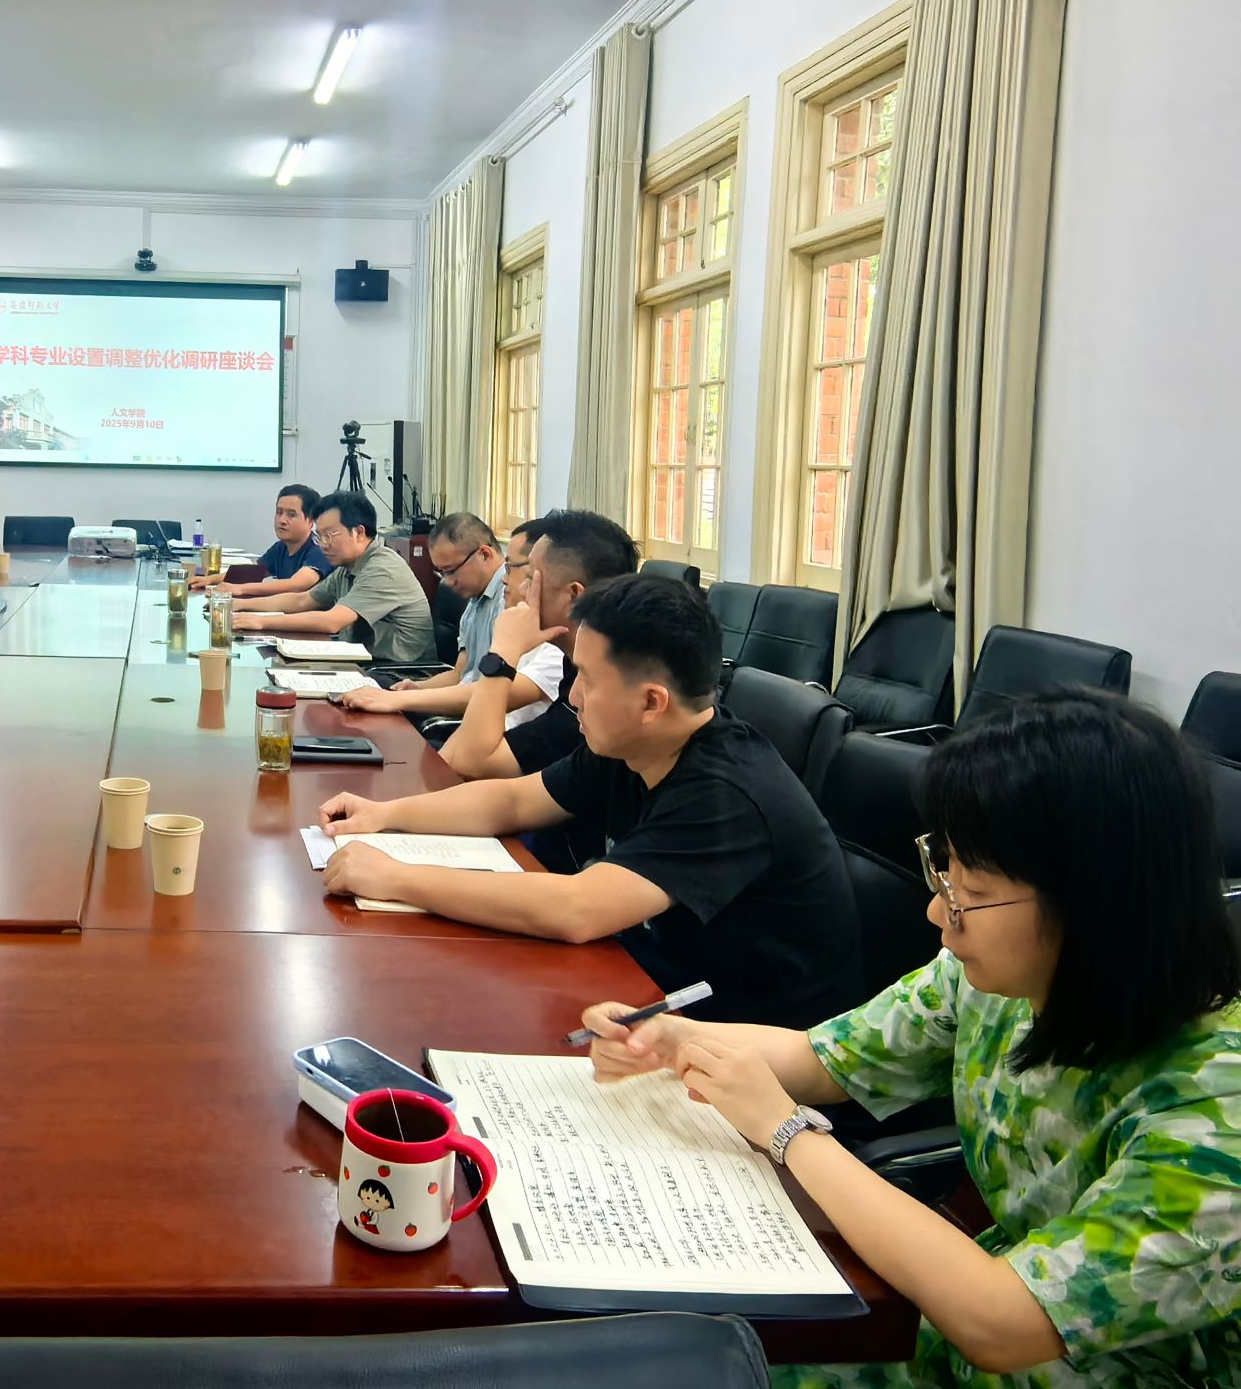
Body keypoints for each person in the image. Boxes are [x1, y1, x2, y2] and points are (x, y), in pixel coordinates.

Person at [584, 692, 1241, 1388]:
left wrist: (788, 1133)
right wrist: (674, 1038)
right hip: (946, 1329)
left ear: (1097, 905)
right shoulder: (999, 979)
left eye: (971, 892)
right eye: (945, 872)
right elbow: (825, 1059)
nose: (936, 910)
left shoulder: (1216, 1110)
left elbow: (1007, 1321)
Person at [318, 573, 860, 1028]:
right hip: (646, 989)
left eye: (588, 681)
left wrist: (394, 877)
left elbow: (577, 909)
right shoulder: (635, 743)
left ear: (652, 702)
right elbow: (513, 801)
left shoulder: (727, 794)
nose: (573, 696)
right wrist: (385, 815)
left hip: (741, 1052)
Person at [439, 509, 639, 780]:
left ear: (574, 595)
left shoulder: (602, 698)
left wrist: (503, 652)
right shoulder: (572, 668)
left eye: (531, 578)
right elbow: (455, 757)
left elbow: (467, 762)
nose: (521, 589)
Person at [228, 491, 435, 666]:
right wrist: (239, 604)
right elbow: (303, 600)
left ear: (359, 532)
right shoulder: (349, 565)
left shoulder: (382, 568)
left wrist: (261, 622)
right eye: (320, 536)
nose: (323, 545)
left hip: (401, 671)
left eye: (329, 535)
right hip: (367, 660)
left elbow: (331, 622)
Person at [336, 510, 508, 716]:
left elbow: (493, 693)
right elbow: (460, 675)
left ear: (485, 554)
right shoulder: (475, 599)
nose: (447, 582)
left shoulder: (508, 599)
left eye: (451, 570)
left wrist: (400, 700)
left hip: (484, 716)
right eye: (441, 572)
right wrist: (418, 687)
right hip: (465, 705)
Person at [192, 484, 329, 596]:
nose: (282, 520)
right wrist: (208, 580)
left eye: (291, 515)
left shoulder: (319, 550)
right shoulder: (280, 547)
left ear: (311, 521)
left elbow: (296, 585)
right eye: (279, 512)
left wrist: (240, 589)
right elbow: (251, 573)